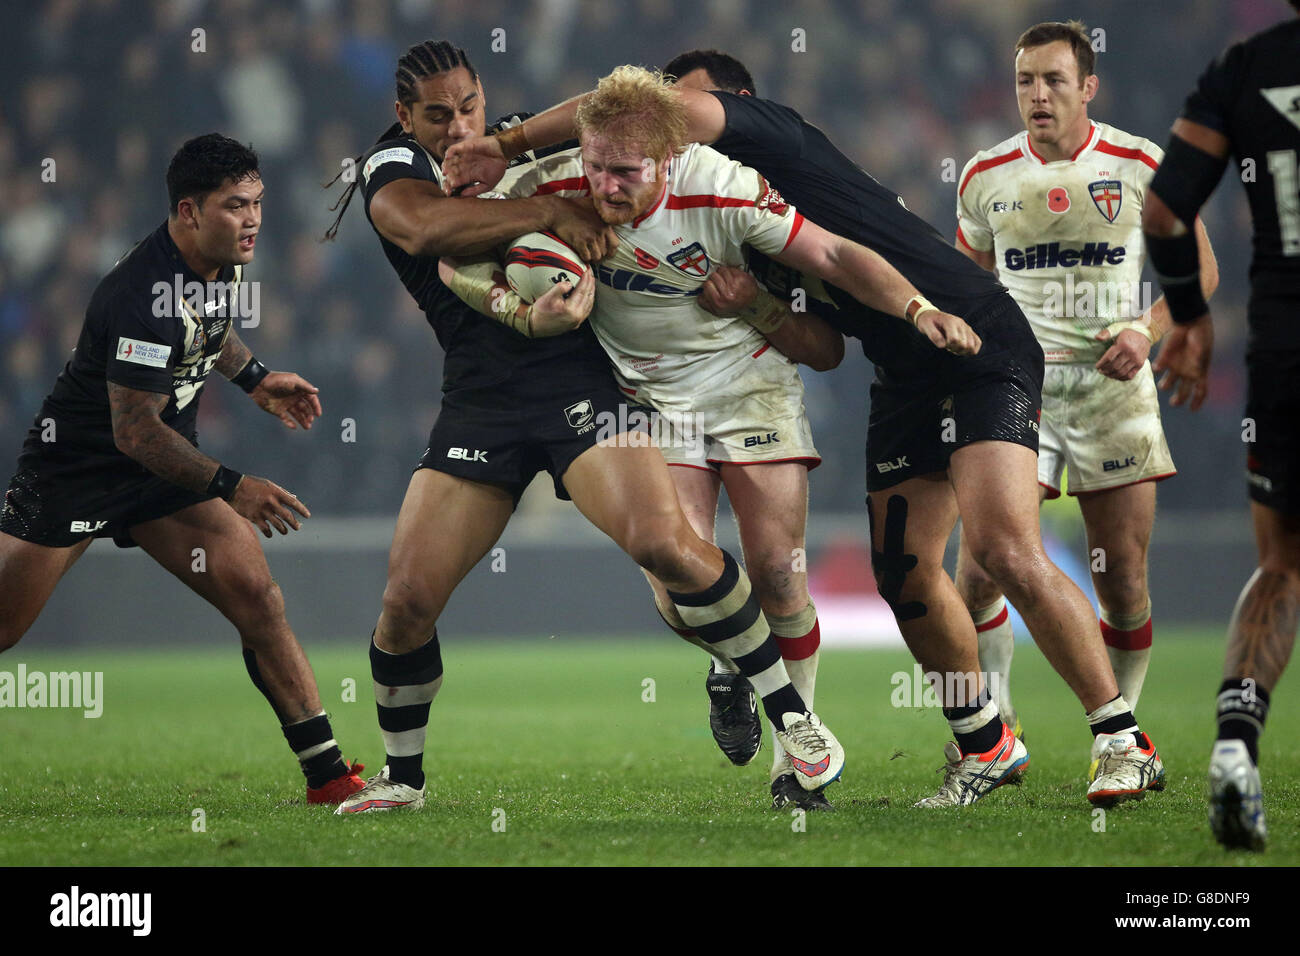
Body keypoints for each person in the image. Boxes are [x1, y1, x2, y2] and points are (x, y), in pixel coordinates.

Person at [445, 50, 1165, 808]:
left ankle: (1121, 737)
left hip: (975, 340)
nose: (673, 131)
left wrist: (507, 139)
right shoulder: (735, 213)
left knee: (1005, 550)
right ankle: (984, 740)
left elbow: (632, 109)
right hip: (903, 373)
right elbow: (822, 346)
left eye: (677, 116)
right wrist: (756, 304)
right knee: (905, 578)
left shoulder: (765, 140)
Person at [323, 40, 844, 815]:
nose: (458, 123)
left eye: (469, 105)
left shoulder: (510, 143)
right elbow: (427, 232)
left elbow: (623, 114)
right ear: (405, 116)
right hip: (483, 400)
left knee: (666, 547)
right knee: (405, 602)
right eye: (439, 114)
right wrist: (545, 214)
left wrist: (515, 145)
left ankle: (794, 720)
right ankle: (403, 778)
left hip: (582, 381)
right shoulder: (390, 167)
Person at [0, 133, 365, 805]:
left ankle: (329, 776)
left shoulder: (219, 261)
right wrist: (234, 485)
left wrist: (255, 379)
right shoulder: (140, 292)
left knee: (257, 594)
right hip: (77, 472)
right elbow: (134, 429)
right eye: (235, 206)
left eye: (257, 202)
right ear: (189, 212)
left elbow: (210, 329)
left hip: (158, 477)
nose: (253, 218)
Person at [954, 20, 1218, 733]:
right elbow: (969, 294)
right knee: (979, 564)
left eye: (1053, 81)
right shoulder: (984, 175)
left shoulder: (1140, 164)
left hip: (1114, 391)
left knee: (1122, 578)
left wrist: (1145, 329)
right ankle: (997, 712)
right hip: (1019, 394)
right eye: (1024, 81)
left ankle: (1122, 729)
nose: (1037, 96)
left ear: (1088, 87)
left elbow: (1203, 272)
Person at [1142, 1, 1300, 852]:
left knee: (1281, 562)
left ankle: (1236, 746)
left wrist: (1191, 322)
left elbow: (1164, 212)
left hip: (1282, 350)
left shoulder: (1245, 67)